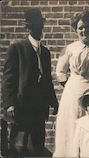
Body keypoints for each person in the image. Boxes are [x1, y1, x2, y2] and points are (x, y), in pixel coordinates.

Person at [2, 8, 58, 157]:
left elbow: (47, 79)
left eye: (40, 24)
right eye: (34, 25)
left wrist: (54, 101)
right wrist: (9, 104)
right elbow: (9, 78)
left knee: (37, 147)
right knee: (19, 147)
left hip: (39, 108)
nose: (39, 28)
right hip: (21, 106)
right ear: (28, 27)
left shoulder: (45, 52)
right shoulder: (17, 48)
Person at [53, 11, 89, 157]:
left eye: (87, 27)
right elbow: (60, 72)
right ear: (76, 30)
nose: (84, 30)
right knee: (73, 124)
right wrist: (71, 86)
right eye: (80, 28)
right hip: (74, 91)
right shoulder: (70, 49)